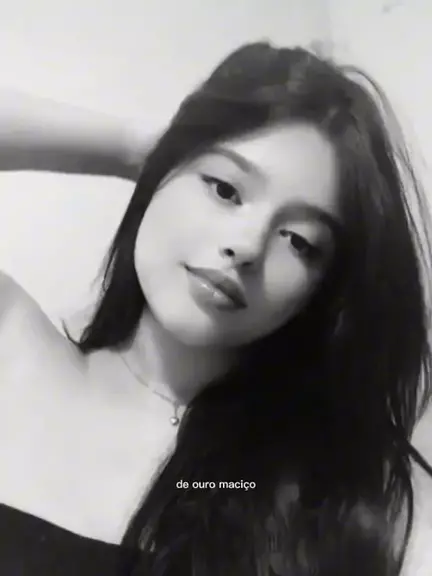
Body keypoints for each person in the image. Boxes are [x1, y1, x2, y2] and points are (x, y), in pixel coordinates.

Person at [0, 41, 431, 576]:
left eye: (299, 240)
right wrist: (134, 147)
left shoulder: (339, 491)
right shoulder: (11, 348)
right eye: (225, 189)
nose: (247, 245)